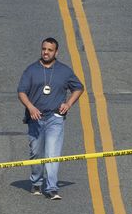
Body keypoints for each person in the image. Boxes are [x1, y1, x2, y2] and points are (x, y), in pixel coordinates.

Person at [17, 38, 84, 200]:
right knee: (36, 153)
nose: (46, 52)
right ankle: (36, 182)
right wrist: (30, 107)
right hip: (36, 118)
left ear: (56, 52)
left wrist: (68, 104)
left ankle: (52, 188)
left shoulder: (64, 71)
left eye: (50, 50)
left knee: (52, 153)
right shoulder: (31, 70)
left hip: (55, 118)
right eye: (44, 49)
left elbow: (79, 88)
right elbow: (21, 92)